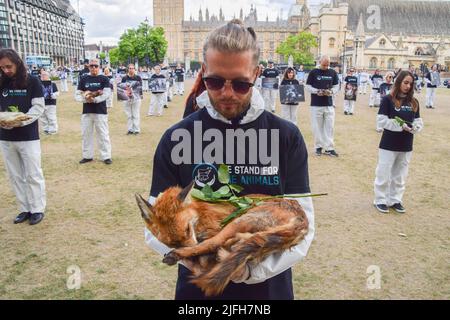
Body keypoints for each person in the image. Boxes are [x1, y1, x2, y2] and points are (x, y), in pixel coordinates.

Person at [145, 19, 315, 300]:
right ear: (203, 72)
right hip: (198, 292)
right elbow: (155, 225)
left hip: (268, 291)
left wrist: (249, 272)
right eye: (214, 81)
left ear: (256, 74)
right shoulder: (176, 137)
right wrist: (202, 261)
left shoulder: (286, 137)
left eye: (240, 83)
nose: (226, 93)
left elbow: (303, 225)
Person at [0, 48, 46, 225]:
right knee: (15, 175)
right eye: (2, 68)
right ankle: (24, 208)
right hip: (5, 137)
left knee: (33, 173)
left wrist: (20, 121)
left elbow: (38, 108)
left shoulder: (32, 81)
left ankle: (37, 208)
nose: (6, 70)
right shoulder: (2, 82)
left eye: (9, 66)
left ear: (17, 63)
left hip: (28, 136)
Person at [373, 70, 424, 214]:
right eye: (405, 83)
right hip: (388, 144)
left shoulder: (414, 102)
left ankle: (395, 199)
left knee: (400, 175)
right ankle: (380, 200)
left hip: (406, 145)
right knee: (383, 173)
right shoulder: (387, 99)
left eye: (411, 84)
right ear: (399, 82)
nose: (408, 86)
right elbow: (381, 121)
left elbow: (418, 120)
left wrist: (416, 127)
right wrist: (399, 125)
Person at [75, 59, 113, 165]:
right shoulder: (83, 79)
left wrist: (95, 99)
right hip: (87, 111)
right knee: (86, 134)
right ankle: (87, 156)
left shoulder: (104, 79)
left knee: (103, 134)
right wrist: (86, 99)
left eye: (96, 66)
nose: (94, 68)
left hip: (100, 111)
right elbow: (77, 94)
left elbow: (106, 94)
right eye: (91, 66)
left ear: (99, 67)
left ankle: (106, 156)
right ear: (89, 67)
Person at [306, 55, 340, 157]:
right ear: (319, 62)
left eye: (328, 65)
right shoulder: (313, 72)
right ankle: (318, 147)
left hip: (329, 104)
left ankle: (329, 148)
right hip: (316, 104)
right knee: (317, 127)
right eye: (324, 65)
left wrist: (331, 92)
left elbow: (336, 86)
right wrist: (317, 91)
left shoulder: (333, 72)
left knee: (330, 127)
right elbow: (307, 86)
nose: (326, 67)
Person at [121, 64, 143, 135]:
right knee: (129, 115)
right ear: (128, 69)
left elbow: (140, 88)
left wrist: (140, 95)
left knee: (135, 114)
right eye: (130, 68)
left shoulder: (138, 78)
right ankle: (130, 129)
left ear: (134, 69)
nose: (131, 70)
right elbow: (122, 88)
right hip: (127, 98)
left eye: (132, 68)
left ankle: (136, 129)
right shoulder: (124, 78)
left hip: (136, 98)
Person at [39, 70, 59, 135]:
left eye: (44, 75)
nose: (42, 76)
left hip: (51, 103)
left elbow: (57, 93)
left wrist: (51, 95)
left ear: (48, 76)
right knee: (43, 117)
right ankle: (45, 130)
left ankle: (53, 130)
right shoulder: (39, 84)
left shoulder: (52, 84)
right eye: (42, 75)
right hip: (42, 103)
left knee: (51, 117)